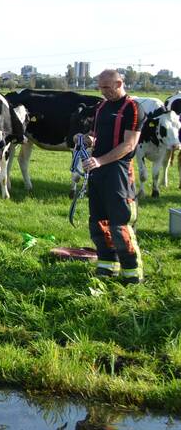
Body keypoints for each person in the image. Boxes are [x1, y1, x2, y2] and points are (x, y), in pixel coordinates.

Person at [82, 69, 142, 283]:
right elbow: (96, 135)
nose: (103, 91)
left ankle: (132, 273)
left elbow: (129, 144)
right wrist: (86, 139)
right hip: (97, 170)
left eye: (107, 87)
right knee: (99, 221)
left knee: (120, 222)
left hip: (118, 171)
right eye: (101, 87)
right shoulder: (102, 107)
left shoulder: (133, 108)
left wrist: (100, 160)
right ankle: (107, 266)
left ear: (119, 83)